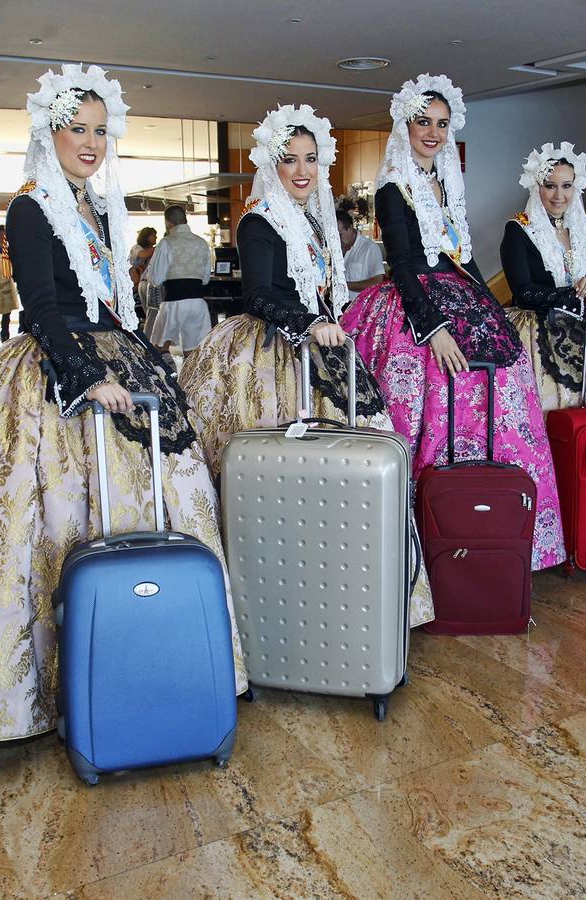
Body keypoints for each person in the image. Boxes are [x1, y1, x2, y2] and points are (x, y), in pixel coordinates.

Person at [0, 65, 246, 741]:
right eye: (78, 128)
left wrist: (143, 359)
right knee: (56, 519)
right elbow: (41, 306)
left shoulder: (94, 207)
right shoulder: (31, 205)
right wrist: (84, 376)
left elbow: (111, 302)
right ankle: (56, 682)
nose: (92, 141)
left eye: (101, 130)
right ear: (51, 131)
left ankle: (160, 654)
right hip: (59, 367)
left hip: (113, 354)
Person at [179, 104, 433, 628]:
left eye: (311, 160)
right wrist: (309, 323)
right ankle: (274, 604)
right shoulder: (259, 220)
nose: (301, 170)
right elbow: (258, 294)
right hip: (270, 354)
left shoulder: (314, 220)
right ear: (270, 164)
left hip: (319, 346)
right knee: (277, 479)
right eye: (289, 159)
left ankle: (353, 593)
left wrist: (321, 325)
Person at [341, 75, 565, 571]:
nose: (434, 132)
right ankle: (432, 538)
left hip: (457, 290)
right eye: (424, 121)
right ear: (405, 125)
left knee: (504, 382)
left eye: (442, 124)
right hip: (415, 303)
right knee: (433, 394)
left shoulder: (445, 183)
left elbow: (463, 256)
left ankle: (491, 525)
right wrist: (433, 328)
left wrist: (492, 309)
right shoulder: (391, 188)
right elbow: (401, 264)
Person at [501, 142, 586, 412]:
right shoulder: (518, 229)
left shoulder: (579, 229)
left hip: (581, 329)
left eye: (566, 186)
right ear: (536, 187)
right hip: (535, 331)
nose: (558, 195)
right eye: (550, 185)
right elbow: (523, 293)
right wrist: (574, 292)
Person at [147, 205, 214, 354]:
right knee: (194, 354)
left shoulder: (166, 243)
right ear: (185, 219)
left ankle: (165, 376)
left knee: (160, 348)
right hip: (198, 303)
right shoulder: (202, 243)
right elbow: (205, 278)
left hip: (173, 300)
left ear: (168, 222)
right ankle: (192, 378)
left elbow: (156, 278)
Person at [337, 208, 384, 302]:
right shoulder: (335, 249)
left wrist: (345, 285)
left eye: (340, 234)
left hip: (360, 308)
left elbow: (377, 282)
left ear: (350, 228)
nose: (337, 239)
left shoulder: (370, 249)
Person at [129, 225, 158, 323]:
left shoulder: (152, 250)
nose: (156, 238)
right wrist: (159, 247)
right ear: (146, 236)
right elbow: (143, 255)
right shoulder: (136, 248)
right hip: (134, 280)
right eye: (153, 235)